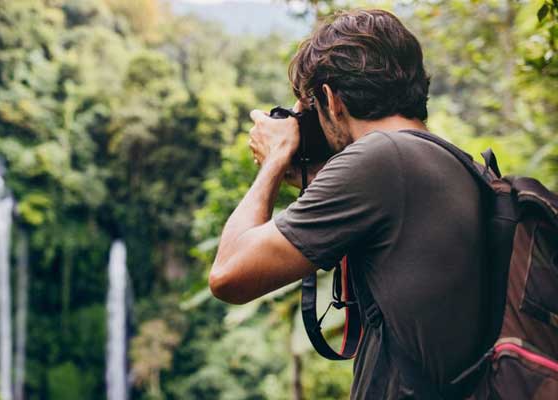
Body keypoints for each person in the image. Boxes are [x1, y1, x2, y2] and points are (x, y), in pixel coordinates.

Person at [208, 9, 487, 399]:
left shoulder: (381, 159)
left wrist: (276, 156)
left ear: (331, 98)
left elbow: (228, 275)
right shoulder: (451, 161)